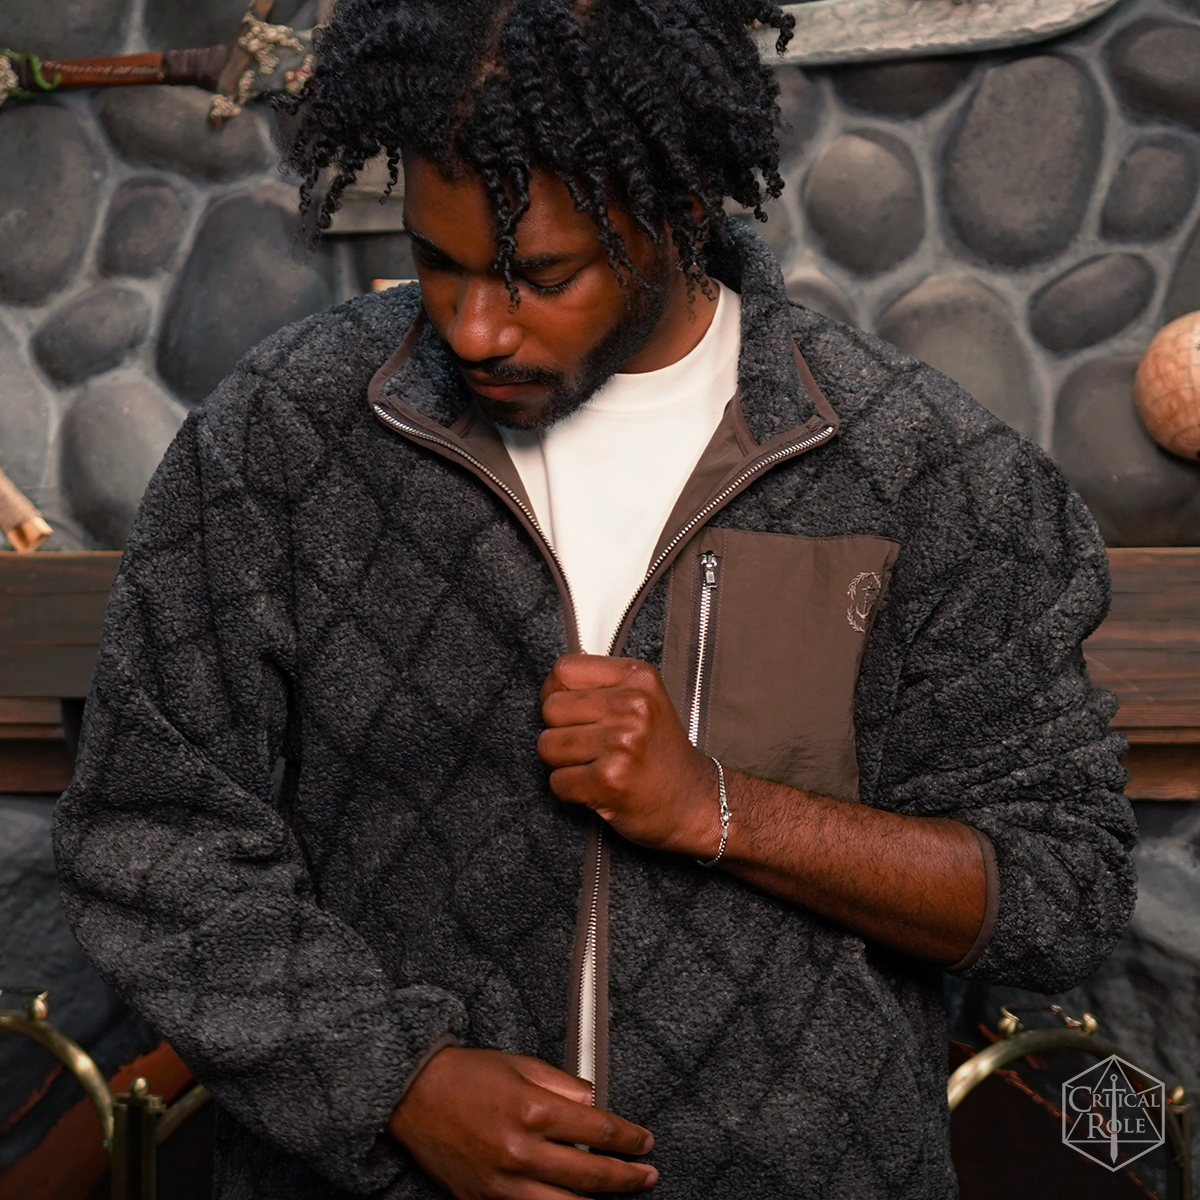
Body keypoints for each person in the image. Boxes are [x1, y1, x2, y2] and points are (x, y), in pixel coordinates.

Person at [53, 1, 1138, 1197]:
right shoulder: (286, 437)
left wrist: (718, 808)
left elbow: (1058, 889)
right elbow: (150, 834)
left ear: (681, 211)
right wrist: (395, 1083)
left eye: (540, 275)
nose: (474, 327)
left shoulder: (925, 471)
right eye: (437, 261)